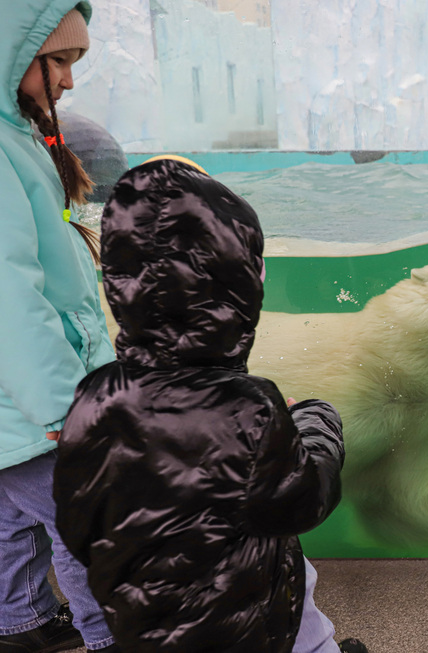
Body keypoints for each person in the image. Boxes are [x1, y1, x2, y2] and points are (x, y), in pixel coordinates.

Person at [51, 156, 367, 653]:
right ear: (241, 287)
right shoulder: (251, 409)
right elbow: (303, 501)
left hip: (144, 630)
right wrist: (313, 419)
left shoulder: (94, 397)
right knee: (288, 573)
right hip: (250, 632)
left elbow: (75, 522)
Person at [0, 2, 118, 651]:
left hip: (11, 400)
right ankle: (111, 637)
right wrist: (61, 407)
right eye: (60, 61)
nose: (69, 81)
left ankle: (20, 620)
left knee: (13, 517)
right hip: (36, 394)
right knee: (89, 523)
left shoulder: (18, 133)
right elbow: (7, 294)